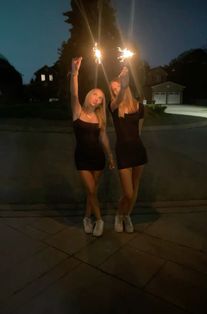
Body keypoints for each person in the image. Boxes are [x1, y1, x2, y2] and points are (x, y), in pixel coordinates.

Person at [70, 57, 115, 237]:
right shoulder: (78, 111)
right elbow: (73, 94)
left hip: (98, 158)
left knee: (92, 192)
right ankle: (100, 220)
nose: (98, 98)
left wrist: (110, 156)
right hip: (81, 158)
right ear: (89, 95)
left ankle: (86, 217)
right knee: (91, 190)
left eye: (101, 98)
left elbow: (103, 138)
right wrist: (75, 72)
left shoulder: (100, 118)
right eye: (96, 94)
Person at [108, 66, 147, 233]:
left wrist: (124, 86)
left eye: (118, 86)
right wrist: (123, 86)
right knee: (128, 193)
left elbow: (139, 131)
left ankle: (127, 215)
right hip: (123, 151)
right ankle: (119, 214)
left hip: (138, 150)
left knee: (136, 187)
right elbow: (119, 98)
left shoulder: (140, 107)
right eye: (113, 89)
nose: (116, 90)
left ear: (127, 86)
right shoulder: (114, 107)